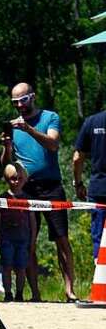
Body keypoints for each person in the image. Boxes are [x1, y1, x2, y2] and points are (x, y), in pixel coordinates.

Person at [0, 82, 75, 301]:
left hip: (51, 186)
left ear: (32, 97)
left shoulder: (50, 118)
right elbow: (6, 164)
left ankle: (69, 290)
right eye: (15, 102)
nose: (19, 105)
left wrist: (29, 130)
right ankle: (34, 293)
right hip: (26, 188)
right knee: (28, 239)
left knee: (61, 238)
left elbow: (53, 144)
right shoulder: (12, 126)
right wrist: (6, 147)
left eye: (23, 100)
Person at [0, 164, 36, 302]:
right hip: (6, 238)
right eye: (12, 178)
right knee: (6, 266)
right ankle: (7, 293)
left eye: (18, 178)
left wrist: (33, 240)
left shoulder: (27, 198)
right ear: (7, 179)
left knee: (21, 268)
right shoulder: (2, 198)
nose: (16, 181)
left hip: (23, 239)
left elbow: (32, 221)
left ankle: (19, 293)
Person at [73, 104, 106, 260]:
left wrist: (78, 183)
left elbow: (78, 158)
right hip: (98, 192)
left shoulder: (92, 121)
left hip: (99, 190)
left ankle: (101, 280)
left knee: (99, 240)